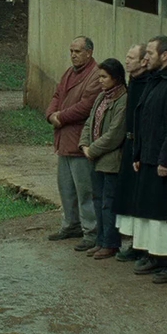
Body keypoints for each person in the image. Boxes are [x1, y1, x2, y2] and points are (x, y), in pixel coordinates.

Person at [128, 36, 167, 284]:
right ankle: (156, 255)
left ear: (165, 55)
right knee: (151, 212)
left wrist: (165, 158)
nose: (146, 58)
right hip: (148, 156)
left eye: (151, 54)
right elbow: (143, 119)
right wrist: (138, 153)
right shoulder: (154, 80)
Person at [44, 37, 102, 250]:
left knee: (85, 190)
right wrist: (51, 114)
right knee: (66, 187)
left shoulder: (95, 75)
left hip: (80, 142)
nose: (73, 55)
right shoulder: (69, 73)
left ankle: (91, 230)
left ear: (89, 52)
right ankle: (71, 224)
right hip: (64, 140)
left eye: (77, 51)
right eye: (71, 51)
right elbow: (57, 94)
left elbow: (86, 106)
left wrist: (61, 117)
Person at [80, 58, 128, 260]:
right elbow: (90, 122)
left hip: (111, 159)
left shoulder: (123, 99)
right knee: (98, 200)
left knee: (109, 202)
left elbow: (116, 133)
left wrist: (93, 149)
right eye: (99, 76)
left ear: (115, 78)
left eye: (104, 77)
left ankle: (110, 242)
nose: (100, 80)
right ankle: (100, 240)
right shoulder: (101, 97)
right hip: (95, 157)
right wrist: (84, 145)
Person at [114, 44, 150, 262]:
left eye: (131, 57)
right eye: (126, 57)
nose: (126, 61)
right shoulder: (133, 81)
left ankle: (145, 246)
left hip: (143, 147)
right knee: (128, 197)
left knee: (141, 197)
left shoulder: (148, 82)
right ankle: (135, 243)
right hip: (129, 144)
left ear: (144, 61)